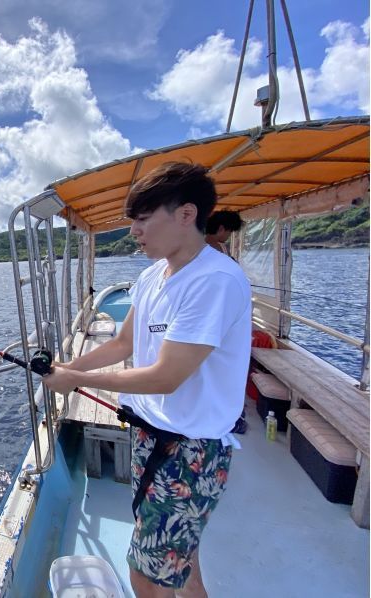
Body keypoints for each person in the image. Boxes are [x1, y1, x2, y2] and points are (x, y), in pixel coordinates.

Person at [44, 162, 251, 598]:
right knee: (181, 560)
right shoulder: (152, 274)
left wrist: (75, 380)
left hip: (191, 450)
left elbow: (166, 376)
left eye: (143, 219)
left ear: (186, 214)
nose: (134, 231)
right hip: (149, 434)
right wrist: (72, 368)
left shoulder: (215, 280)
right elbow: (124, 343)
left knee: (146, 575)